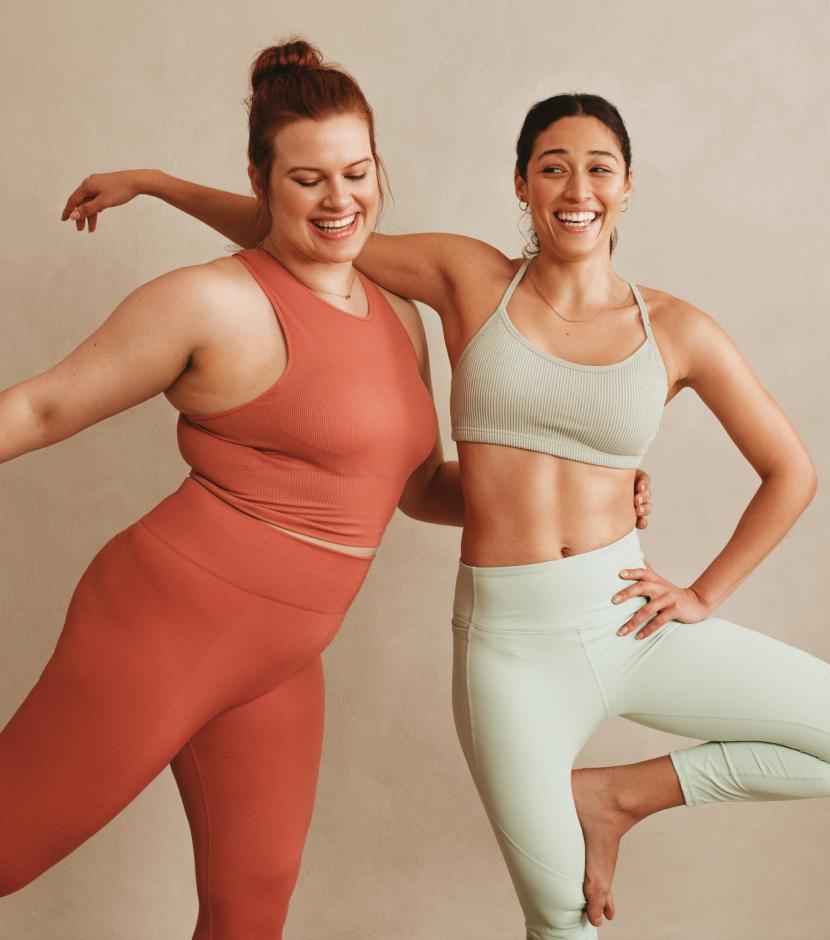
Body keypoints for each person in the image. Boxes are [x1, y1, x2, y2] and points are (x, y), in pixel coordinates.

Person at [64, 92, 755, 940]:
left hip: (620, 610)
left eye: (599, 167)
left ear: (628, 185)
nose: (578, 186)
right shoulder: (469, 277)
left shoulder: (673, 325)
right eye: (553, 166)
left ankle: (616, 796)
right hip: (508, 633)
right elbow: (307, 229)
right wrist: (158, 183)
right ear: (522, 185)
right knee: (565, 923)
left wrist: (704, 590)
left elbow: (790, 469)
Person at [2, 39, 487, 940]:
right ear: (262, 182)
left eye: (357, 171)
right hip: (164, 621)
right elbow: (39, 409)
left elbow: (417, 489)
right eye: (309, 180)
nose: (340, 200)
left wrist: (585, 498)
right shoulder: (212, 302)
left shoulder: (400, 316)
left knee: (250, 914)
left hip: (281, 661)